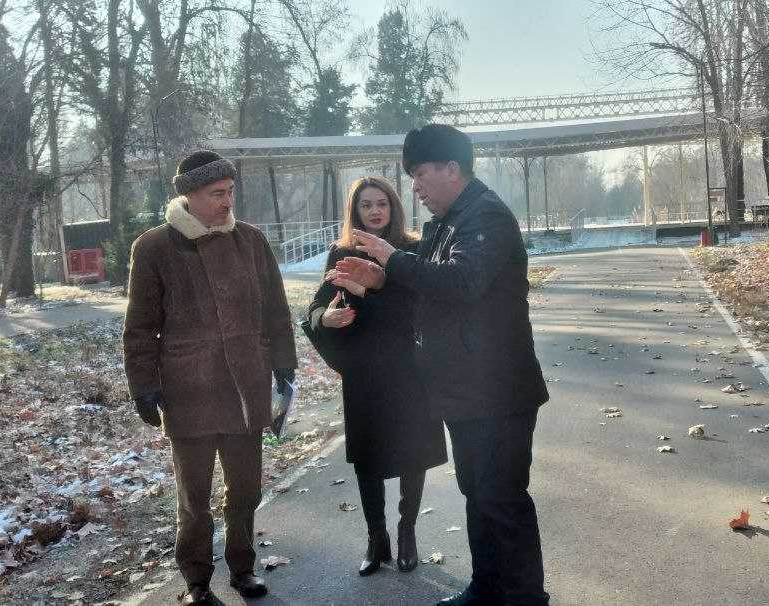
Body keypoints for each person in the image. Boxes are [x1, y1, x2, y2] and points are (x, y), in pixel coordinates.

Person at [334, 124, 551, 606]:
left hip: (498, 390)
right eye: (410, 175)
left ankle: (524, 597)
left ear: (451, 168)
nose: (415, 185)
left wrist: (393, 259)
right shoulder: (451, 222)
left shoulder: (485, 216)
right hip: (466, 390)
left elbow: (462, 282)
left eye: (420, 173)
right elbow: (430, 295)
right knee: (479, 494)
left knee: (502, 499)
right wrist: (382, 279)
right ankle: (489, 587)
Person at [122, 150, 297, 606]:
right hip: (189, 391)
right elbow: (140, 326)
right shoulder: (154, 247)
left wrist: (283, 364)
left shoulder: (252, 241)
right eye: (216, 193)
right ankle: (197, 581)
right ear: (189, 196)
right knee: (193, 498)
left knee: (246, 488)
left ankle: (243, 568)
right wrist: (143, 384)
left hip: (245, 387)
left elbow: (276, 310)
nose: (226, 201)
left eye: (230, 191)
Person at [305, 176, 447, 577]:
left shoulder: (410, 250)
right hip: (364, 372)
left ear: (393, 207)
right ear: (355, 211)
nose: (375, 211)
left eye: (381, 203)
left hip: (408, 370)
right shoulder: (341, 252)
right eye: (366, 205)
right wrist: (327, 317)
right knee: (367, 458)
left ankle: (407, 533)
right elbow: (313, 309)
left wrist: (368, 293)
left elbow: (415, 313)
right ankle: (376, 538)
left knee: (411, 452)